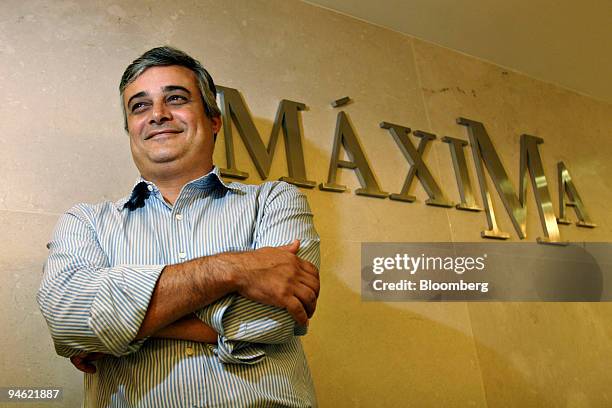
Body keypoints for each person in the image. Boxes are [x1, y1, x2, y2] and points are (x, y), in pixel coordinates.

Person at [37, 46, 321, 407]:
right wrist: (232, 269)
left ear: (213, 120)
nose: (157, 114)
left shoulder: (275, 201)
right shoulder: (86, 222)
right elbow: (67, 321)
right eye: (139, 106)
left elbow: (275, 318)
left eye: (176, 97)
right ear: (130, 130)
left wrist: (115, 328)